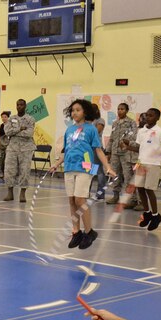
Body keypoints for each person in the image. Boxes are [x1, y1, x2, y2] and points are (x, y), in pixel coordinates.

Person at [48, 99, 116, 250]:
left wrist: (108, 167)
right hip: (69, 167)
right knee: (72, 200)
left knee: (80, 199)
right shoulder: (69, 130)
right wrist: (56, 164)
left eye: (78, 110)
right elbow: (67, 151)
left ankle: (89, 232)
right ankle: (76, 231)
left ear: (85, 112)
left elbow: (98, 150)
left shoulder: (91, 129)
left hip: (86, 168)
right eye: (72, 110)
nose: (74, 113)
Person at [121, 108, 161, 231]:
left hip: (153, 164)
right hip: (141, 163)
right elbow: (140, 148)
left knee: (149, 189)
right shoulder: (141, 131)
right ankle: (147, 213)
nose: (147, 117)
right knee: (140, 188)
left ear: (157, 118)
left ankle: (156, 215)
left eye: (151, 116)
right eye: (146, 115)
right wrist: (128, 148)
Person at [3, 99, 36, 202]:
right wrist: (20, 129)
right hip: (12, 148)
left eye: (21, 105)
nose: (19, 107)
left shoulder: (30, 119)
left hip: (26, 149)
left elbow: (29, 133)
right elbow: (7, 132)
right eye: (17, 105)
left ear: (25, 106)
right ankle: (10, 193)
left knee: (24, 171)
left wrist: (15, 132)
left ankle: (22, 194)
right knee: (9, 170)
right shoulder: (11, 118)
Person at [106, 103, 138, 205]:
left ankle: (131, 199)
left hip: (126, 153)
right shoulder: (115, 123)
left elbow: (134, 137)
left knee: (128, 176)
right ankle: (115, 196)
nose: (120, 111)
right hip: (115, 153)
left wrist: (125, 141)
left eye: (122, 109)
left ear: (127, 110)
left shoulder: (131, 123)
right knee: (115, 175)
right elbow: (112, 138)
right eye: (118, 109)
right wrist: (108, 151)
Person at [91, 104, 107, 201]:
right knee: (90, 171)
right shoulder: (88, 122)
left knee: (99, 171)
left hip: (96, 148)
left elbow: (95, 132)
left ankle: (100, 194)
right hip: (88, 148)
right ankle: (85, 192)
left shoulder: (100, 121)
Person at [0, 111, 11, 178]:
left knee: (6, 160)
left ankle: (6, 172)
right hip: (1, 144)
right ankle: (1, 171)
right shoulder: (0, 126)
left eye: (5, 117)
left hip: (8, 145)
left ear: (8, 118)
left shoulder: (11, 126)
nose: (3, 118)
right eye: (2, 117)